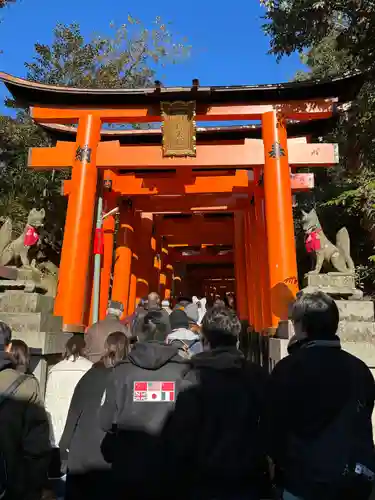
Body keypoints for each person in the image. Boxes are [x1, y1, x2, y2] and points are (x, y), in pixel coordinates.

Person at [266, 291, 375, 500]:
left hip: (301, 480)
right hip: (352, 478)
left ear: (301, 327)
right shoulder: (359, 369)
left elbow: (273, 428)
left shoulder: (288, 369)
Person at [162, 306, 270, 500]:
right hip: (247, 478)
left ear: (205, 341)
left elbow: (180, 436)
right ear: (237, 340)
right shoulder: (257, 376)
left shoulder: (190, 378)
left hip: (202, 480)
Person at [100, 309, 190, 499]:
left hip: (129, 468)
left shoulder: (121, 371)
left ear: (139, 333)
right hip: (172, 469)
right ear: (168, 333)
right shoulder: (184, 371)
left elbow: (105, 422)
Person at [60, 331, 129, 500]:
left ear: (105, 348)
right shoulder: (126, 378)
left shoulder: (90, 375)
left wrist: (63, 449)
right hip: (108, 457)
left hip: (81, 454)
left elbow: (73, 413)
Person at [0, 321, 51, 500]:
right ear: (8, 347)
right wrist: (39, 486)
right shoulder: (26, 385)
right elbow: (37, 445)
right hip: (12, 485)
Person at [45, 334, 92, 447]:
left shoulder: (54, 369)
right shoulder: (90, 368)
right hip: (80, 426)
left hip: (57, 426)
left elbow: (48, 402)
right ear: (84, 349)